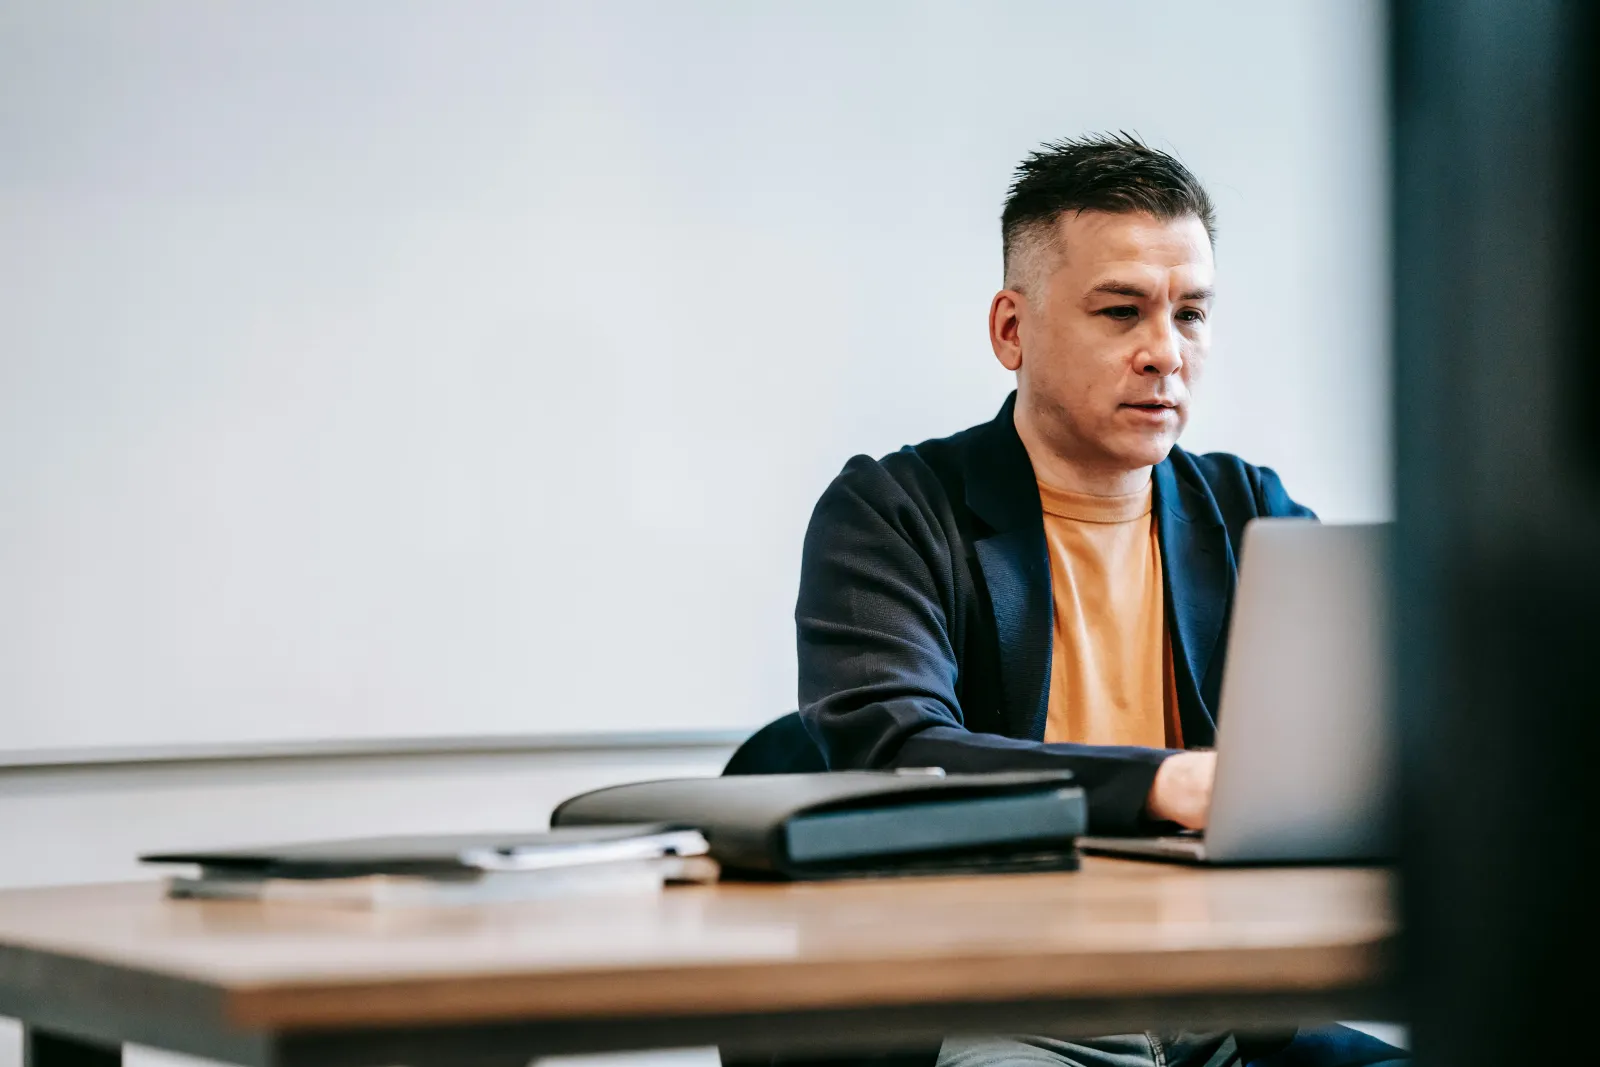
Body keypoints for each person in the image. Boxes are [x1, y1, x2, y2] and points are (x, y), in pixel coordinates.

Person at [793, 135, 1405, 1067]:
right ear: (1012, 329)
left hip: (1230, 994)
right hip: (998, 996)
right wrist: (1167, 783)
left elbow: (1351, 752)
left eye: (1191, 314)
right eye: (1122, 311)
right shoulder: (892, 511)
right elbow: (896, 753)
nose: (1165, 352)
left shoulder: (1254, 512)